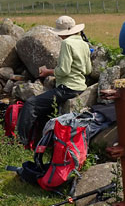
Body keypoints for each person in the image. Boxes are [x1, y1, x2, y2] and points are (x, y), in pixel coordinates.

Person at [17, 16, 92, 147]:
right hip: (80, 86)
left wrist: (48, 72)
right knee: (44, 108)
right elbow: (88, 69)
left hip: (67, 88)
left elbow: (64, 70)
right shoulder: (84, 44)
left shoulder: (67, 43)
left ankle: (19, 142)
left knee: (31, 104)